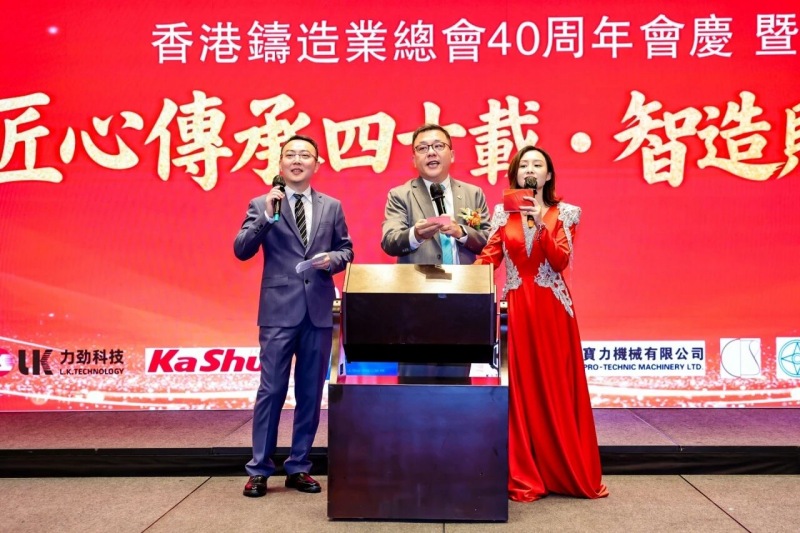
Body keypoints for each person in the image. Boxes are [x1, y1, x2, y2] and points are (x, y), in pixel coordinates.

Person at [474, 145, 608, 502]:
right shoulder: (502, 214)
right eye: (524, 165)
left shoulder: (567, 212)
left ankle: (563, 469)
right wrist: (458, 282)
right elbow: (488, 259)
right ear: (515, 174)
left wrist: (538, 221)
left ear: (548, 175)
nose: (530, 170)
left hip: (552, 311)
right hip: (517, 308)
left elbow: (560, 260)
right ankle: (526, 472)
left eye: (537, 165)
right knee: (521, 390)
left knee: (554, 387)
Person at [234, 134, 354, 498]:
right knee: (271, 390)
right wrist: (266, 217)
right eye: (291, 155)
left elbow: (346, 250)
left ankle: (299, 466)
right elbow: (242, 249)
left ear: (317, 164)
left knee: (309, 392)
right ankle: (259, 469)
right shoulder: (262, 203)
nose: (297, 160)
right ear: (281, 163)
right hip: (277, 311)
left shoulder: (332, 206)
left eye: (305, 155)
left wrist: (332, 260)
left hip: (318, 311)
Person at [381, 123, 491, 377]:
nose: (431, 152)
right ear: (414, 159)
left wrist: (462, 232)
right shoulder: (400, 195)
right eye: (422, 148)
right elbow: (389, 240)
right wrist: (416, 234)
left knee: (455, 380)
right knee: (414, 379)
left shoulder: (473, 193)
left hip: (462, 300)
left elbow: (488, 240)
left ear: (452, 154)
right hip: (417, 302)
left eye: (438, 146)